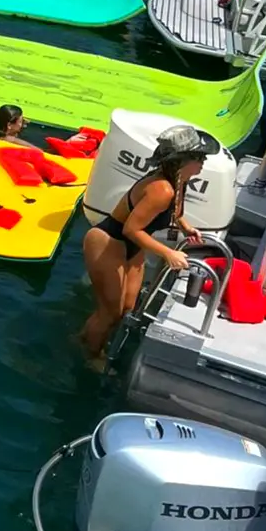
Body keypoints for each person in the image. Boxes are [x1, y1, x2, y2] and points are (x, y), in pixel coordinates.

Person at [80, 122, 209, 361]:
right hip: (109, 240)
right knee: (110, 312)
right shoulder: (162, 189)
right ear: (182, 160)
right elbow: (131, 229)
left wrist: (188, 228)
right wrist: (168, 254)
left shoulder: (178, 182)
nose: (204, 162)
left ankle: (85, 339)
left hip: (132, 245)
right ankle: (91, 356)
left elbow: (176, 213)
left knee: (127, 308)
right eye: (200, 157)